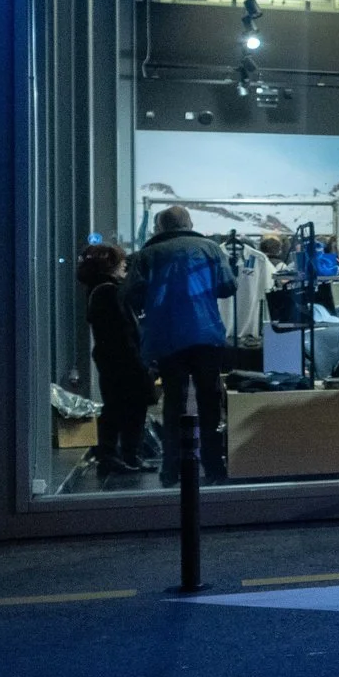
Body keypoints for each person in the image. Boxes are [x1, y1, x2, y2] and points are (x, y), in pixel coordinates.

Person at [124, 205, 235, 485]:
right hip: (206, 333)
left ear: (160, 227)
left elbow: (130, 294)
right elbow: (227, 286)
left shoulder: (148, 254)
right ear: (189, 223)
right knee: (209, 400)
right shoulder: (210, 249)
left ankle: (171, 468)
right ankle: (213, 466)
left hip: (167, 336)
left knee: (174, 401)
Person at [77, 241, 152, 477]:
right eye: (121, 263)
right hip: (122, 359)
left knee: (118, 406)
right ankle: (121, 455)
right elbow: (122, 331)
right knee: (127, 407)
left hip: (112, 359)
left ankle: (118, 456)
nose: (124, 267)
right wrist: (140, 362)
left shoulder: (99, 290)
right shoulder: (109, 292)